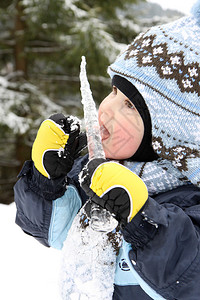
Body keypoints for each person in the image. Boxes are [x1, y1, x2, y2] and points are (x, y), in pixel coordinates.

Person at [14, 2, 200, 299]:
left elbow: (188, 277)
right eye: (114, 91)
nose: (107, 108)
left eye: (129, 105)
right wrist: (47, 182)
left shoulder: (190, 198)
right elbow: (53, 233)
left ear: (172, 134)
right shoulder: (96, 169)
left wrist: (144, 220)